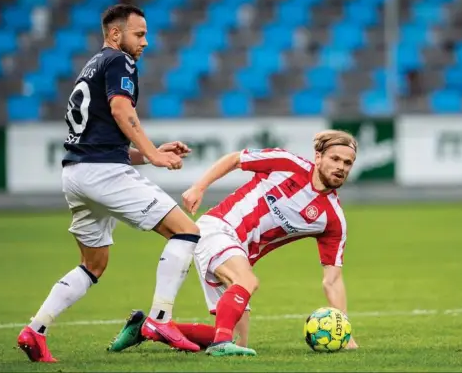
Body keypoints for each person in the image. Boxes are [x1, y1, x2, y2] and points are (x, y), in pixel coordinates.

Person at [16, 4, 203, 363]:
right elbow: (121, 110)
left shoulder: (90, 67)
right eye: (139, 34)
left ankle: (35, 331)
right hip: (102, 173)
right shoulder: (119, 62)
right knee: (186, 232)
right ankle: (160, 321)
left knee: (93, 265)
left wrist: (146, 154)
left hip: (76, 173)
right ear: (115, 34)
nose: (145, 42)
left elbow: (99, 137)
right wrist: (155, 155)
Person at [107, 130, 360, 356]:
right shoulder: (288, 163)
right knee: (247, 281)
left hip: (236, 252)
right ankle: (219, 345)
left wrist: (344, 330)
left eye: (347, 163)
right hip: (218, 228)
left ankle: (144, 328)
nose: (341, 167)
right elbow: (235, 159)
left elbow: (333, 278)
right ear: (318, 158)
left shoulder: (332, 219)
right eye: (335, 159)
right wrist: (198, 187)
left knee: (239, 341)